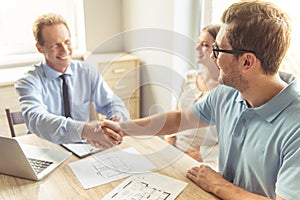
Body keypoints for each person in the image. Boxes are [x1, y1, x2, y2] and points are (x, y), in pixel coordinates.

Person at [100, 1, 300, 199]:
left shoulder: (295, 127)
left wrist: (218, 185)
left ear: (247, 62)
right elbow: (180, 119)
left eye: (218, 50)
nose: (213, 58)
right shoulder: (227, 92)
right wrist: (123, 128)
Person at [15, 13, 129, 148]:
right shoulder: (28, 81)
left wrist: (115, 120)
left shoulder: (86, 71)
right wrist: (86, 130)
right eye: (55, 45)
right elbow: (37, 119)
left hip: (83, 147)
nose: (64, 50)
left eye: (67, 42)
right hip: (45, 149)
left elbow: (112, 102)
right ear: (40, 48)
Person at [164, 25, 220, 169]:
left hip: (202, 163)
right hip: (174, 154)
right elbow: (175, 117)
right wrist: (168, 148)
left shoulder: (226, 91)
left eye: (205, 45)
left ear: (218, 50)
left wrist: (186, 159)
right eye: (198, 42)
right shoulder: (189, 77)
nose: (197, 48)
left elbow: (222, 147)